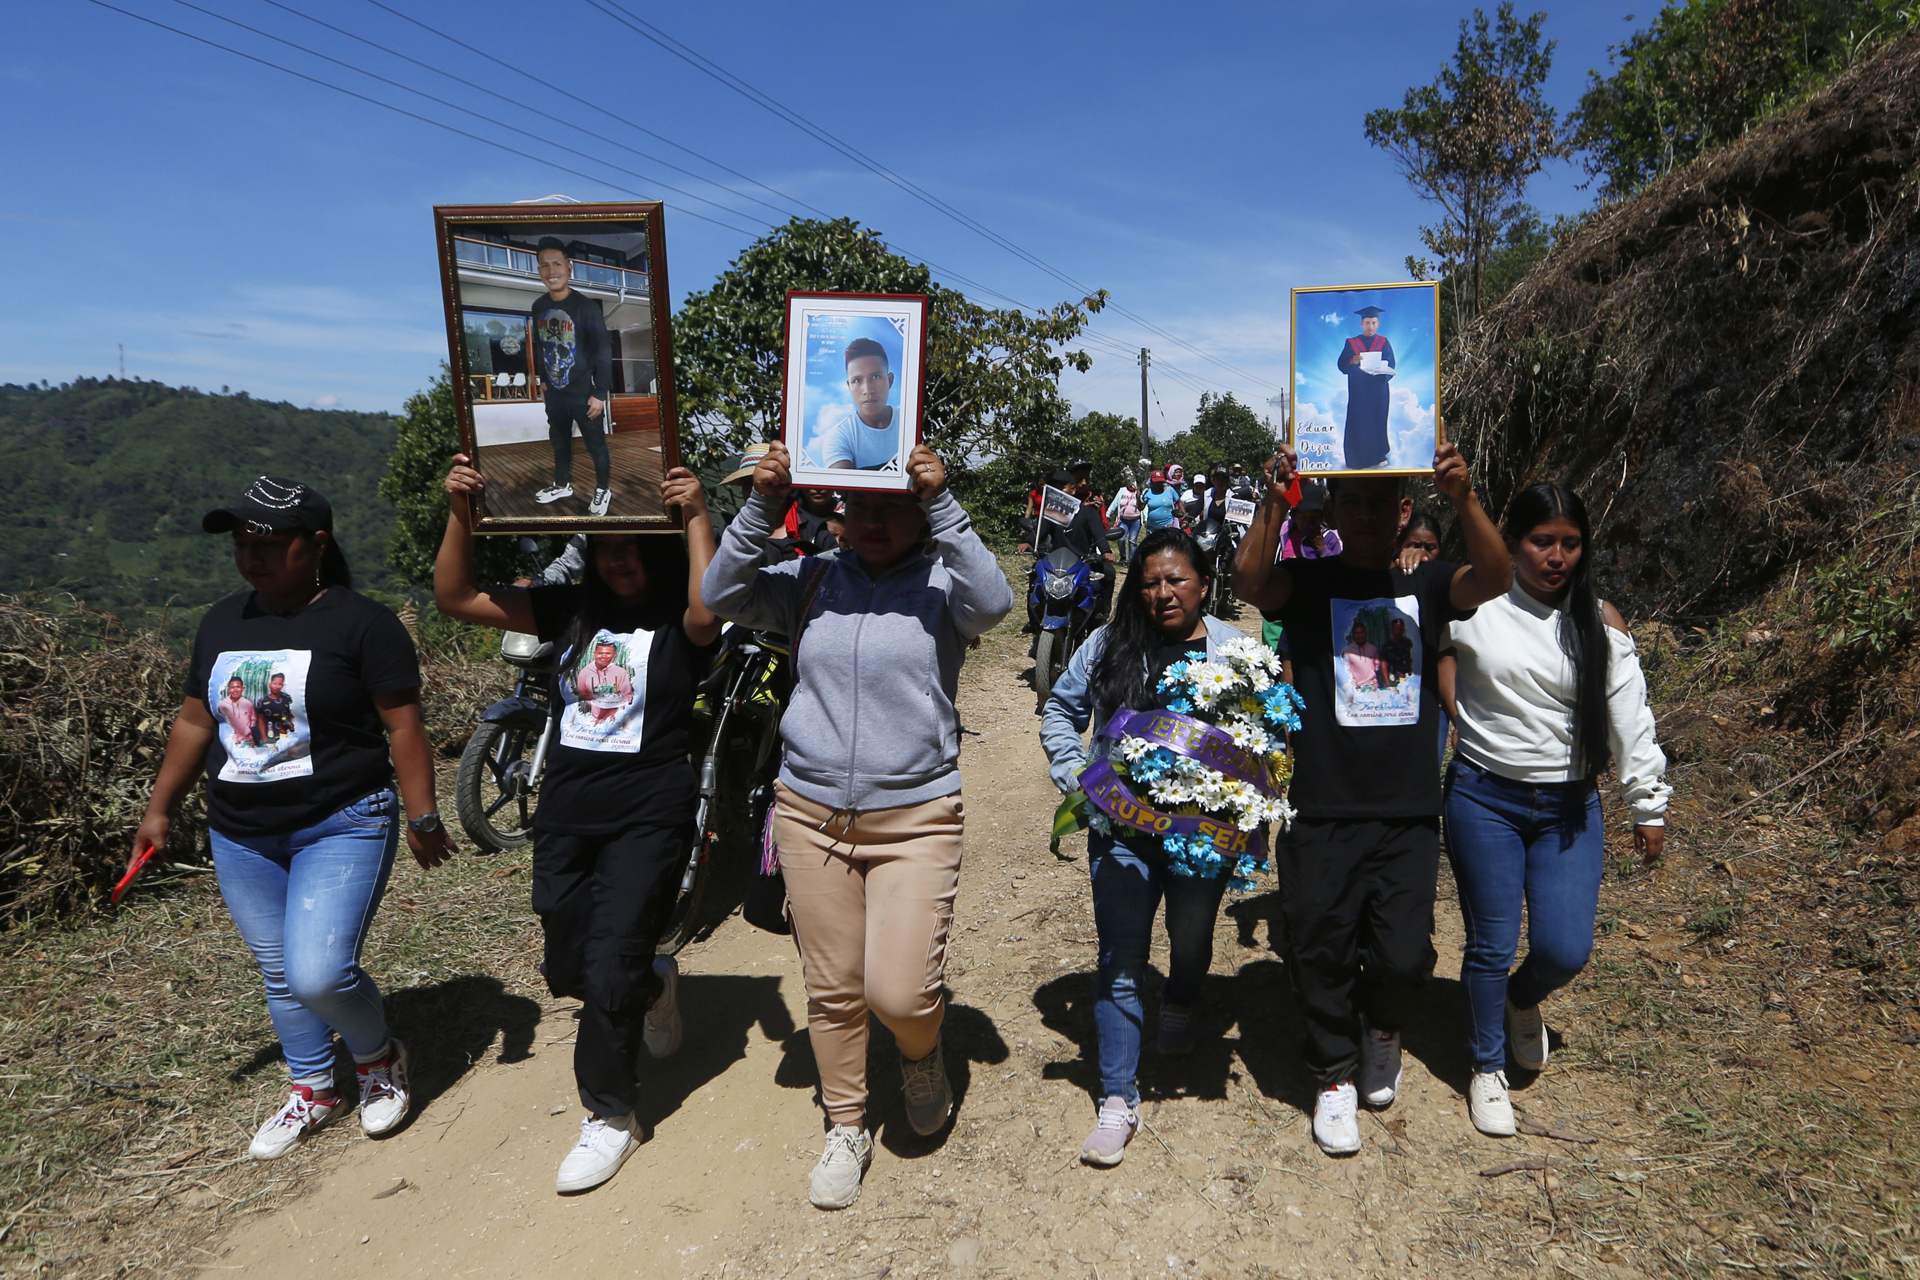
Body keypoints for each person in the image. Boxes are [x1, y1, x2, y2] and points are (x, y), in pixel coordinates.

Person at [703, 440, 1013, 1211]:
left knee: (901, 994)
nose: (873, 521)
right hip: (810, 815)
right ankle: (846, 1123)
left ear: (916, 513)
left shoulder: (945, 588)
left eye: (892, 507)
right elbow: (716, 593)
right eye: (859, 506)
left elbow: (999, 603)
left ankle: (920, 1052)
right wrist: (764, 502)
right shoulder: (808, 581)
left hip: (916, 818)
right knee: (833, 988)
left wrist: (942, 500)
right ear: (838, 512)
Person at [128, 477, 450, 1161]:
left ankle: (376, 1057)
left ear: (317, 544)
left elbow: (404, 729)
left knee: (319, 972)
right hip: (241, 832)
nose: (253, 556)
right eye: (244, 544)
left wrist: (422, 815)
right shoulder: (221, 622)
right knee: (278, 970)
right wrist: (160, 809)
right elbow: (194, 721)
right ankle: (313, 1087)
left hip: (342, 819)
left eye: (270, 543)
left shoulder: (365, 624)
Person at [435, 453, 722, 1194]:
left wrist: (695, 516)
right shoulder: (567, 612)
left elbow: (708, 608)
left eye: (633, 547)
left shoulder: (678, 621)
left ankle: (611, 1113)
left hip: (648, 813)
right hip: (567, 815)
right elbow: (455, 595)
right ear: (590, 552)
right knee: (568, 966)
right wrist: (461, 510)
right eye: (607, 548)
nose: (621, 561)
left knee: (607, 964)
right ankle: (654, 982)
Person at [1231, 441, 1509, 1156]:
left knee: (1403, 955)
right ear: (1331, 509)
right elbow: (1249, 581)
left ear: (1404, 510)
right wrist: (1274, 496)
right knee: (1319, 943)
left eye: (1380, 502)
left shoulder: (1429, 584)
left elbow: (1500, 577)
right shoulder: (1307, 582)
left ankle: (1383, 1029)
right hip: (1321, 804)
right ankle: (1332, 1073)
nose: (1365, 514)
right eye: (1350, 502)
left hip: (1407, 810)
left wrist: (1466, 498)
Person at [1442, 483, 1671, 1137]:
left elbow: (1630, 716)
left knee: (1566, 950)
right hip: (1484, 798)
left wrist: (1646, 804)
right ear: (1512, 543)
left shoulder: (1600, 619)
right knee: (1489, 942)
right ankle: (1485, 1068)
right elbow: (1428, 646)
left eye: (1571, 543)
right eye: (1543, 541)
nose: (1557, 556)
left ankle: (1521, 999)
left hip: (1570, 804)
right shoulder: (1473, 605)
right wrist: (1451, 710)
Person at [1039, 528, 1248, 1167]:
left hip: (1198, 839)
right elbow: (1060, 711)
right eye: (1150, 581)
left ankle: (1182, 998)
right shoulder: (1107, 643)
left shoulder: (1233, 648)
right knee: (1120, 960)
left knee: (1190, 941)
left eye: (1176, 579)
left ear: (1204, 585)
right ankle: (1116, 1098)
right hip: (1121, 833)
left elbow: (1259, 736)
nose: (1162, 593)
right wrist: (1081, 777)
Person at [529, 238, 614, 515]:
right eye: (544, 265)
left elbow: (603, 351)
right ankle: (562, 484)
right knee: (559, 441)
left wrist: (600, 393)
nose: (550, 270)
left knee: (595, 444)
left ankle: (603, 489)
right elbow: (541, 346)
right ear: (539, 270)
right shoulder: (538, 306)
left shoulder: (587, 308)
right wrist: (543, 380)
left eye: (556, 263)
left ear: (569, 267)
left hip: (584, 393)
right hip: (554, 393)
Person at [821, 338, 902, 471]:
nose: (867, 390)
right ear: (849, 386)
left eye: (875, 377)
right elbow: (844, 489)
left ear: (890, 380)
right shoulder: (839, 437)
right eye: (857, 380)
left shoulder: (910, 425)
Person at [1336, 305, 1397, 471]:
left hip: (1379, 391)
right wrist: (1351, 361)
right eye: (1367, 322)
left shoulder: (1383, 342)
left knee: (1378, 422)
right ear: (1361, 324)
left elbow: (1391, 364)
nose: (1370, 326)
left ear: (1378, 324)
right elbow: (1342, 365)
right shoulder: (1351, 343)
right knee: (1358, 422)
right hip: (1359, 392)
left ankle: (1378, 456)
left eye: (1373, 322)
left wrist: (1383, 372)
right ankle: (1356, 460)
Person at [1106, 476, 1142, 559]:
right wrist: (1108, 514)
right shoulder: (1122, 490)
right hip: (1123, 520)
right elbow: (1115, 503)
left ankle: (1131, 559)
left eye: (1132, 482)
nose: (1131, 484)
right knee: (1121, 539)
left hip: (1135, 520)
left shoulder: (1139, 492)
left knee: (1132, 541)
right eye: (1128, 482)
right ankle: (1122, 557)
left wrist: (1145, 518)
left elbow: (1144, 506)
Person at [218, 676, 260, 746]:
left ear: (242, 689)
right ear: (228, 690)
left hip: (247, 740)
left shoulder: (247, 703)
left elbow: (253, 720)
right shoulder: (223, 704)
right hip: (230, 741)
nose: (235, 690)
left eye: (238, 687)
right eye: (232, 687)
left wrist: (249, 732)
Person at [256, 671, 296, 743]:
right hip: (271, 734)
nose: (277, 686)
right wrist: (264, 737)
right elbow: (260, 720)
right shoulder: (262, 702)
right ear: (270, 685)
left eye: (280, 684)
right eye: (275, 683)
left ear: (282, 685)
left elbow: (292, 714)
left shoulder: (287, 698)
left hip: (288, 733)